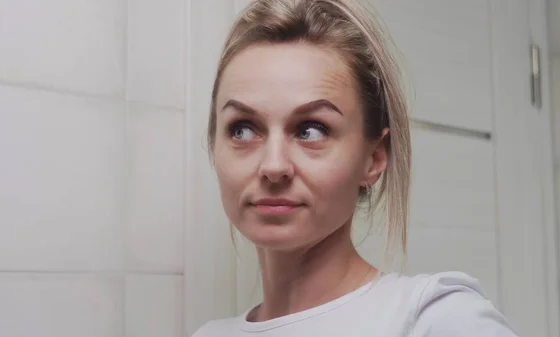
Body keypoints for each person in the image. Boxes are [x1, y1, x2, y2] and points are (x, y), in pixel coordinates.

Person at [193, 0, 519, 336]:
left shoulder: (438, 321)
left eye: (310, 130)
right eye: (242, 129)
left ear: (374, 158)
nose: (273, 166)